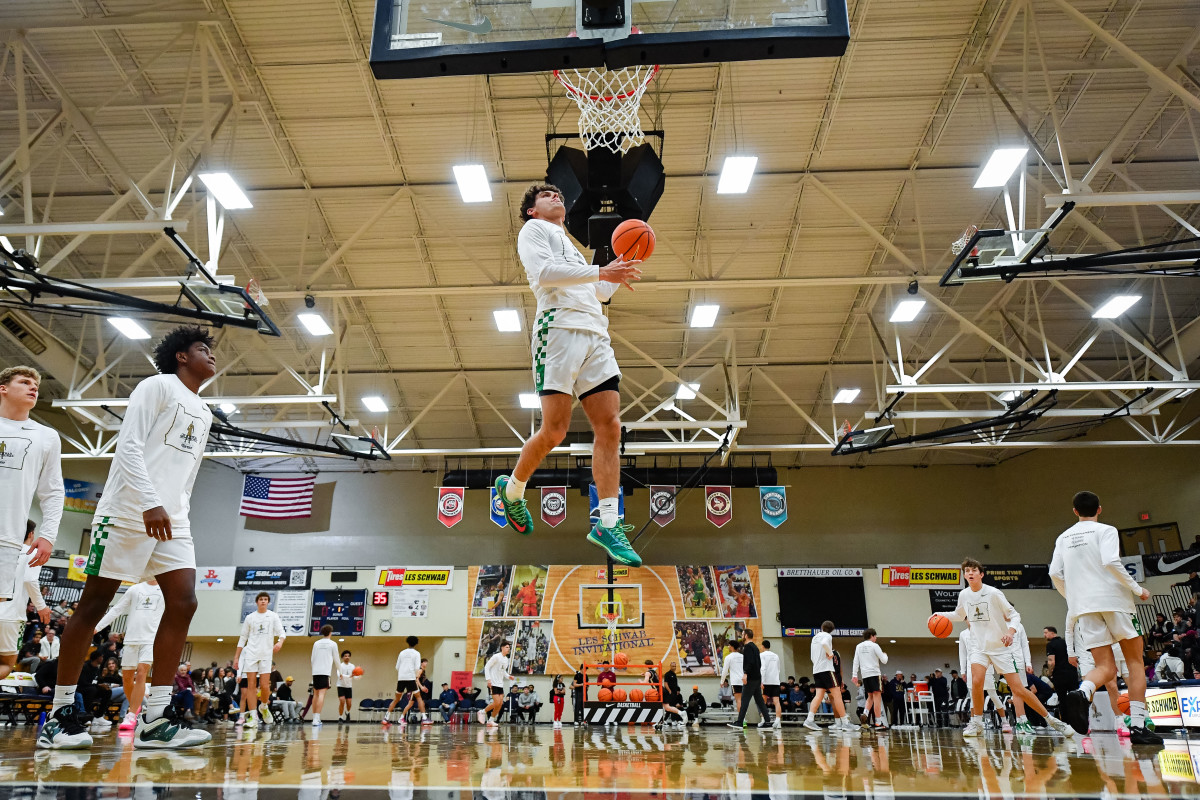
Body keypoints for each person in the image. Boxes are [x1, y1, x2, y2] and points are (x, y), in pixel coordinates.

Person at [37, 327, 215, 751]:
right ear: (180, 357)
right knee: (95, 603)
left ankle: (155, 719)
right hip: (128, 508)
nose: (211, 356)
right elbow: (129, 446)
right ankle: (60, 717)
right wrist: (151, 502)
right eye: (201, 349)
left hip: (172, 518)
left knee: (185, 600)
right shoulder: (156, 387)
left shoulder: (205, 411)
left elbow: (187, 475)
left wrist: (176, 510)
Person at [492, 184, 645, 567]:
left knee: (610, 426)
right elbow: (544, 274)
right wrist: (599, 269)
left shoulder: (570, 245)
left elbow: (600, 292)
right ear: (532, 211)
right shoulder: (534, 232)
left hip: (595, 332)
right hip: (557, 331)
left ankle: (608, 523)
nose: (556, 196)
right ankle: (511, 492)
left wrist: (621, 262)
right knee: (556, 430)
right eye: (546, 195)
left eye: (558, 194)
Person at [1051, 490, 1161, 745]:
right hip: (1115, 603)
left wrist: (1074, 598)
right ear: (1099, 509)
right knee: (1134, 664)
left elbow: (1054, 572)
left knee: (1105, 668)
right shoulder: (1106, 530)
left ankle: (1083, 691)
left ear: (1075, 511)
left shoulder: (1063, 537)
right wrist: (1137, 589)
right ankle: (1137, 727)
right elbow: (1111, 560)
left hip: (1085, 608)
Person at [951, 557, 1074, 740]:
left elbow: (1015, 615)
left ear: (981, 574)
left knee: (1019, 690)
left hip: (1000, 648)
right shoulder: (964, 595)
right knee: (976, 682)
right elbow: (958, 614)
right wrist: (939, 616)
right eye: (967, 571)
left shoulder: (993, 593)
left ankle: (1053, 721)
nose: (970, 573)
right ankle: (976, 722)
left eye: (973, 570)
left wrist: (1009, 632)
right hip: (980, 648)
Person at [0, 367, 62, 606]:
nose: (34, 387)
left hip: (7, 537)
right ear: (3, 389)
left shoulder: (46, 436)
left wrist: (48, 536)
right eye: (25, 382)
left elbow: (53, 491)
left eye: (35, 385)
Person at [94, 578, 164, 731]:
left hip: (150, 639)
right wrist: (97, 627)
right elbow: (117, 609)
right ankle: (136, 705)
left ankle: (131, 714)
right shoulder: (135, 589)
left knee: (141, 673)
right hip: (131, 639)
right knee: (126, 679)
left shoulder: (165, 590)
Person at [0, 524, 49, 681]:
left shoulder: (4, 550)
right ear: (31, 534)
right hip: (11, 617)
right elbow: (30, 579)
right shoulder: (32, 552)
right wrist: (41, 607)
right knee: (7, 665)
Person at [234, 591, 286, 728]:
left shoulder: (273, 616)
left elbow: (282, 633)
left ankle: (263, 706)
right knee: (251, 685)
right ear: (257, 602)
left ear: (268, 602)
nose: (263, 601)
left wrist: (279, 642)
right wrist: (236, 657)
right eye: (261, 599)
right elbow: (243, 638)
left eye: (265, 599)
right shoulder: (250, 618)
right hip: (251, 654)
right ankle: (253, 717)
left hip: (266, 654)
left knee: (264, 686)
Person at [804, 620, 854, 733]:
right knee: (837, 696)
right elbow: (824, 644)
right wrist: (830, 654)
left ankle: (809, 719)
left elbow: (812, 656)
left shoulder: (815, 637)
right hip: (827, 670)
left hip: (816, 670)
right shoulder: (827, 636)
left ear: (822, 627)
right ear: (832, 630)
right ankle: (845, 723)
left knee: (818, 696)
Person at [959, 626, 1006, 731]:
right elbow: (962, 653)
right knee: (973, 696)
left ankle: (1004, 721)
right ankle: (974, 722)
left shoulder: (985, 630)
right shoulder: (963, 634)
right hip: (971, 668)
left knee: (993, 695)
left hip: (986, 667)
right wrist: (963, 671)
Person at [729, 628, 770, 730]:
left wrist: (745, 674)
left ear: (746, 636)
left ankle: (739, 722)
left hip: (751, 678)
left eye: (742, 634)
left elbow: (750, 662)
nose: (741, 636)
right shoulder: (755, 647)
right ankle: (768, 721)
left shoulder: (747, 647)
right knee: (759, 701)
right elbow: (759, 664)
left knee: (744, 700)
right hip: (757, 678)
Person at [384, 635, 429, 725]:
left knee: (396, 699)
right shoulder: (417, 653)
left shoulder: (402, 653)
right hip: (410, 678)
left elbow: (397, 667)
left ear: (407, 642)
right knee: (419, 697)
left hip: (401, 678)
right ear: (416, 643)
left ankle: (386, 718)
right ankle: (424, 718)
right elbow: (417, 667)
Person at [851, 629, 889, 729]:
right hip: (875, 674)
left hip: (865, 675)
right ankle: (878, 722)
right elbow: (884, 661)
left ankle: (865, 714)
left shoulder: (858, 646)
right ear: (871, 635)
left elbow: (855, 661)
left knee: (870, 696)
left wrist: (854, 675)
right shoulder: (874, 645)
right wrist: (885, 655)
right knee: (877, 697)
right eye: (875, 636)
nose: (876, 638)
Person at [309, 624, 338, 727]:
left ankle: (314, 719)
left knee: (315, 695)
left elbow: (312, 659)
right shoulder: (333, 644)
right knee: (321, 695)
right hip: (325, 672)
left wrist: (314, 670)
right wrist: (340, 672)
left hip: (315, 672)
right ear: (331, 632)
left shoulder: (316, 643)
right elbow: (337, 660)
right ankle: (317, 719)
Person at [480, 641, 513, 727]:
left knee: (500, 703)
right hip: (493, 683)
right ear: (502, 647)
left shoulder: (506, 659)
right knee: (497, 702)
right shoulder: (496, 657)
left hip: (500, 684)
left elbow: (503, 671)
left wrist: (509, 676)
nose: (508, 649)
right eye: (506, 647)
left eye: (509, 648)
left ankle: (491, 720)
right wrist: (488, 679)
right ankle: (482, 712)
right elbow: (487, 667)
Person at [1043, 625, 1078, 696]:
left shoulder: (1050, 645)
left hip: (1059, 675)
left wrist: (1050, 672)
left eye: (1046, 633)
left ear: (1052, 633)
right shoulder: (1067, 643)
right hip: (1072, 673)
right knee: (1075, 697)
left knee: (1062, 698)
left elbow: (1051, 661)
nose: (1044, 635)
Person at [759, 640, 782, 730]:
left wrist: (762, 681)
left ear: (763, 646)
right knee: (777, 702)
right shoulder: (776, 656)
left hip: (766, 681)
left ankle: (763, 720)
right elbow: (778, 669)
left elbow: (763, 669)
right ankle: (778, 721)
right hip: (775, 681)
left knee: (763, 702)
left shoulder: (762, 655)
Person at [719, 641, 743, 709]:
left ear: (732, 647)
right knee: (743, 701)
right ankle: (744, 717)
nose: (728, 647)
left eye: (729, 645)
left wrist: (722, 681)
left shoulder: (728, 657)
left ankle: (742, 718)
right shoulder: (743, 656)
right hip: (744, 681)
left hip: (735, 682)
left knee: (738, 700)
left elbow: (725, 671)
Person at [337, 650, 358, 722]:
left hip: (349, 687)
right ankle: (340, 717)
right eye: (345, 656)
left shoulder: (352, 666)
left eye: (348, 656)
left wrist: (358, 676)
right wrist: (350, 676)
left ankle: (347, 712)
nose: (347, 657)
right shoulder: (340, 665)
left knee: (349, 703)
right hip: (341, 686)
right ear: (342, 657)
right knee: (342, 701)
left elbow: (355, 676)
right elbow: (339, 675)